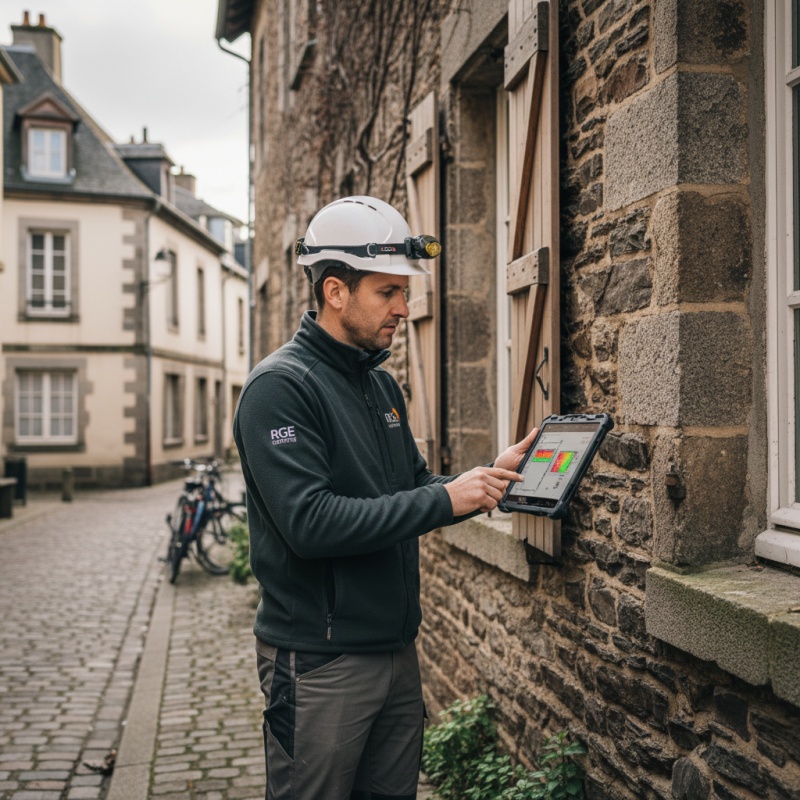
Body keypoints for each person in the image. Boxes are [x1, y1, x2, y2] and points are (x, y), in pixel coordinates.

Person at [233, 196, 537, 800]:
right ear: (335, 291)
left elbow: (414, 488)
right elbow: (311, 524)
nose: (405, 307)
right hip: (320, 663)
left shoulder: (379, 383)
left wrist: (483, 481)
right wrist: (448, 501)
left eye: (405, 291)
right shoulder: (278, 390)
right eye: (388, 292)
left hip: (396, 653)